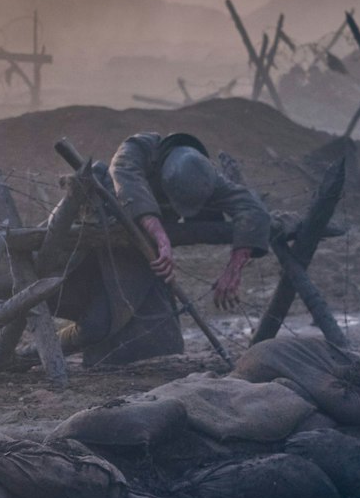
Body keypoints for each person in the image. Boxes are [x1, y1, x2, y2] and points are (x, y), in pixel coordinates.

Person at [46, 133, 271, 367]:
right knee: (91, 319)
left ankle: (42, 353)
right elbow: (127, 179)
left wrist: (234, 270)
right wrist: (160, 235)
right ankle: (31, 353)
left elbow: (251, 209)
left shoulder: (206, 175)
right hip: (94, 240)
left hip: (143, 259)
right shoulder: (137, 149)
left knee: (131, 330)